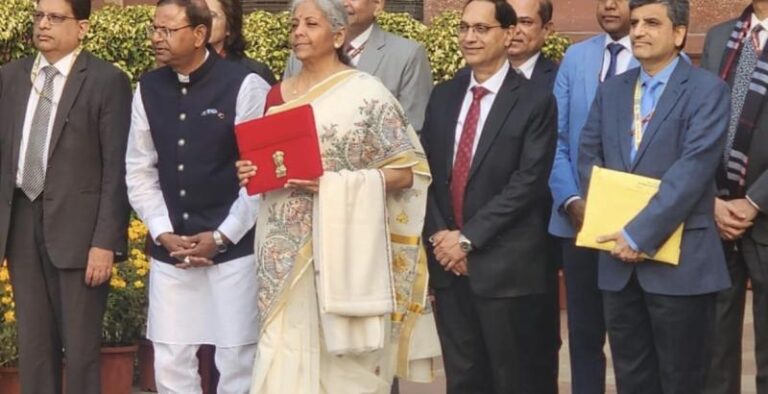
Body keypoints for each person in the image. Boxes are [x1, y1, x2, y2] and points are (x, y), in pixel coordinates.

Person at [235, 0, 438, 392]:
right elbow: (268, 161)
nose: (298, 32)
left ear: (338, 34)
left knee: (341, 367)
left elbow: (407, 172)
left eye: (311, 24)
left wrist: (334, 182)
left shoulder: (365, 93)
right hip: (281, 250)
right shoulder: (277, 95)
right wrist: (249, 170)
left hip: (343, 250)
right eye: (294, 24)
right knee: (281, 351)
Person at [577, 0, 731, 392]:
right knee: (632, 378)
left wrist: (639, 234)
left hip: (680, 265)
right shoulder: (613, 90)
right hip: (617, 263)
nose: (639, 31)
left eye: (651, 23)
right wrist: (614, 224)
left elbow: (693, 170)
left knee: (683, 380)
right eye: (634, 23)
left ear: (679, 34)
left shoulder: (707, 90)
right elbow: (588, 156)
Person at [125, 0, 269, 392]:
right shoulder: (148, 89)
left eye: (168, 30)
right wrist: (161, 230)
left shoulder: (246, 85)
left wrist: (223, 236)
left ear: (199, 34)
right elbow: (139, 169)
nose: (157, 38)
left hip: (234, 250)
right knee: (171, 359)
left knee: (237, 359)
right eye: (155, 28)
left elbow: (259, 177)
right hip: (172, 248)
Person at [420, 0, 558, 391]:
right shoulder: (443, 96)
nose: (469, 37)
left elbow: (528, 183)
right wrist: (441, 239)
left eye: (481, 29)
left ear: (509, 33)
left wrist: (468, 240)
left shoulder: (535, 100)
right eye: (464, 28)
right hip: (449, 269)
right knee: (463, 380)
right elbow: (426, 174)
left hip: (506, 270)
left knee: (514, 380)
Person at [0, 0, 132, 392]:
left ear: (83, 27)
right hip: (21, 219)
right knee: (34, 345)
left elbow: (116, 169)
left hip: (81, 231)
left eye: (55, 18)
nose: (43, 25)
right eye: (39, 16)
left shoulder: (107, 81)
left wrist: (105, 242)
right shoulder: (10, 77)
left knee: (80, 349)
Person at [547, 0, 636, 392]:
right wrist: (570, 200)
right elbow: (557, 138)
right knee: (584, 334)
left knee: (632, 336)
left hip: (636, 225)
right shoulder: (576, 57)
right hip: (578, 220)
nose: (610, 5)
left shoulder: (660, 58)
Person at [700, 1, 768, 393]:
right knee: (714, 353)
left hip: (763, 210)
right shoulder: (720, 37)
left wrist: (755, 200)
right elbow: (698, 121)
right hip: (717, 215)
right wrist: (709, 198)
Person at [282, 0, 433, 131]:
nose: (343, 3)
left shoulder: (406, 55)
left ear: (378, 4)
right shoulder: (299, 56)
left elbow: (414, 128)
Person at [205, 0, 278, 85]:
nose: (203, 21)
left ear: (229, 26)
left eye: (212, 15)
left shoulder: (254, 73)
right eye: (200, 15)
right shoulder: (188, 68)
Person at [506, 0, 556, 88]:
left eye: (525, 22)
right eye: (508, 21)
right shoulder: (477, 73)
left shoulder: (558, 79)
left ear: (546, 29)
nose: (515, 30)